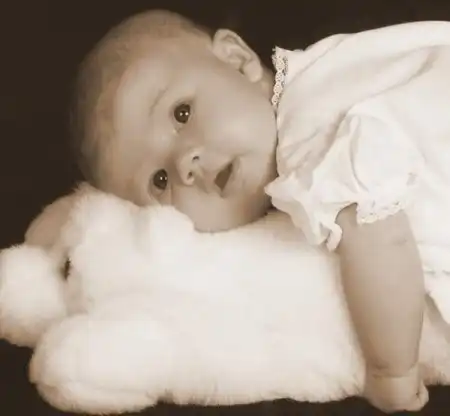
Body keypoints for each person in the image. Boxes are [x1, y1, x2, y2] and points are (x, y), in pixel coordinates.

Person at [67, 9, 450, 413]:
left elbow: (378, 235)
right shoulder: (333, 65)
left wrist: (392, 372)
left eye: (182, 113)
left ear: (237, 59)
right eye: (160, 181)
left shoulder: (309, 132)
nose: (185, 164)